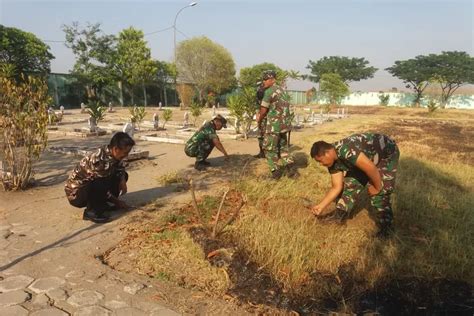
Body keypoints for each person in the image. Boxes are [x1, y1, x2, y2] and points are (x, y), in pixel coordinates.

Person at [310, 133, 400, 238]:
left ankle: (386, 229)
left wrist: (377, 187)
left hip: (386, 153)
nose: (321, 164)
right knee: (350, 185)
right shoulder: (332, 163)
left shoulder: (347, 151)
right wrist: (321, 206)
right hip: (367, 159)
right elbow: (336, 187)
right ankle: (339, 216)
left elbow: (371, 168)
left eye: (320, 161)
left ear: (328, 153)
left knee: (380, 194)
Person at [65, 132, 134, 223]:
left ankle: (102, 204)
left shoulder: (114, 155)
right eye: (125, 153)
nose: (126, 155)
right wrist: (117, 202)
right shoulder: (99, 160)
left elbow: (120, 168)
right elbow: (101, 186)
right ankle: (91, 212)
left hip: (93, 185)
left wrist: (122, 181)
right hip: (77, 194)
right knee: (100, 182)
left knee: (122, 175)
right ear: (116, 149)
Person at [256, 70, 296, 179]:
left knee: (269, 149)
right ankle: (291, 170)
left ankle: (275, 173)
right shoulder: (283, 90)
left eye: (265, 80)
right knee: (283, 148)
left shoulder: (269, 92)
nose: (263, 82)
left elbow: (263, 110)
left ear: (271, 80)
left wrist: (259, 120)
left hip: (274, 126)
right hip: (285, 126)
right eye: (263, 80)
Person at [253, 82, 266, 159]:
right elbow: (257, 105)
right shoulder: (258, 96)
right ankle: (262, 153)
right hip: (261, 119)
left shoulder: (269, 95)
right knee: (260, 136)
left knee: (269, 137)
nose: (259, 90)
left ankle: (271, 154)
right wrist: (257, 114)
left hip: (269, 119)